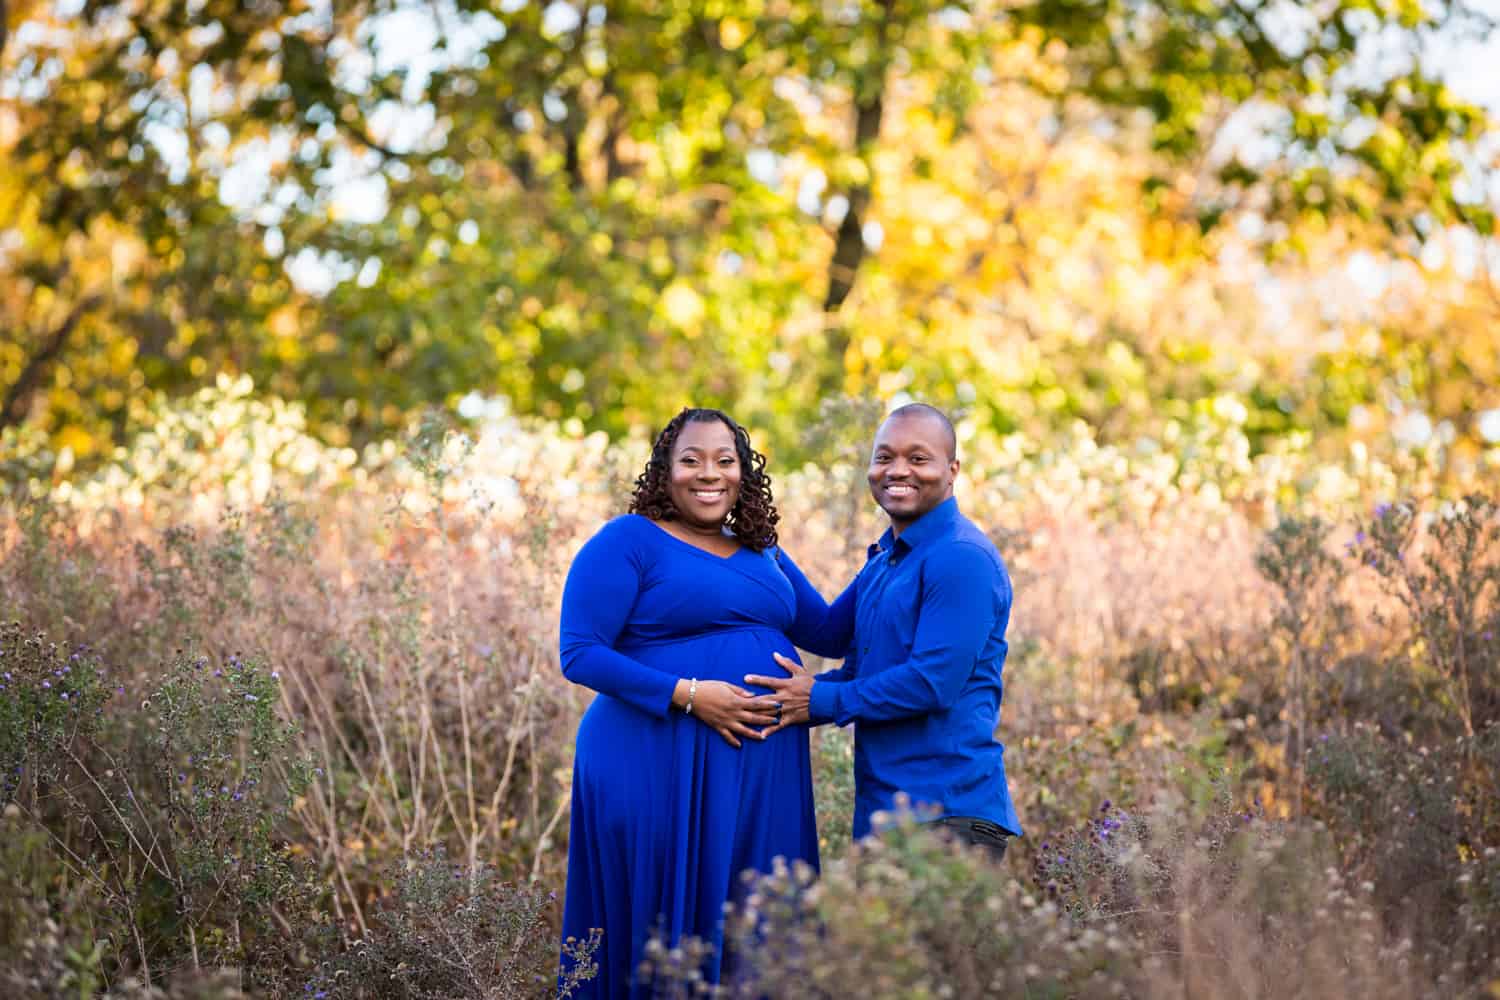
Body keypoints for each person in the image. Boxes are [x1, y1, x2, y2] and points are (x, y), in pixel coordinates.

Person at [557, 407, 848, 997]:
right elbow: (580, 652)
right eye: (691, 460)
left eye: (724, 460)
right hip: (653, 760)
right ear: (665, 471)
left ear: (744, 472)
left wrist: (894, 548)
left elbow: (831, 633)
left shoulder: (763, 551)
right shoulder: (630, 540)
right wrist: (689, 695)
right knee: (660, 926)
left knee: (758, 926)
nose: (709, 474)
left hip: (760, 777)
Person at [748, 402, 1021, 859]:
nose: (897, 470)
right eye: (884, 457)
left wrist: (819, 698)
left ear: (952, 470)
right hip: (886, 813)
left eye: (918, 458)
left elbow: (931, 683)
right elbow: (829, 635)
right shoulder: (886, 559)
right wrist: (761, 540)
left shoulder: (961, 557)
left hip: (947, 815)